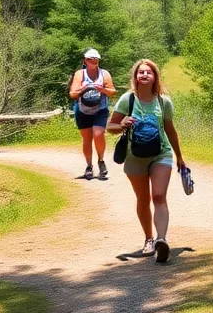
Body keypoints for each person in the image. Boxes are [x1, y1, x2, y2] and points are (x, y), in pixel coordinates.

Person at [107, 59, 186, 263]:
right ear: (135, 77)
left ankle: (161, 240)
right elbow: (111, 126)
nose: (144, 75)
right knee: (143, 199)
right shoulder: (127, 100)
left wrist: (179, 157)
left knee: (158, 196)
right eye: (140, 72)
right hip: (135, 157)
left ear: (154, 77)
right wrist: (122, 123)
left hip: (161, 154)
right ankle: (148, 239)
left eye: (148, 72)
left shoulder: (163, 102)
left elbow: (170, 129)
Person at [69, 48, 116, 180]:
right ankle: (89, 166)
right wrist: (83, 89)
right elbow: (72, 93)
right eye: (90, 59)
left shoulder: (104, 74)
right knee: (87, 139)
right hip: (82, 110)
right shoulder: (80, 74)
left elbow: (112, 92)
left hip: (100, 109)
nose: (93, 61)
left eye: (95, 59)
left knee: (98, 134)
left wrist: (102, 89)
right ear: (85, 60)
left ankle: (101, 161)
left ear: (98, 60)